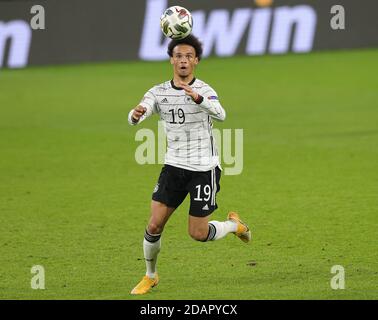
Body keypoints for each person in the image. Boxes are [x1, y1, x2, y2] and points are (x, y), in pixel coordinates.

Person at [128, 35, 251, 295]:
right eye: (179, 56)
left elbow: (221, 114)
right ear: (172, 59)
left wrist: (198, 98)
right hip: (173, 167)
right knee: (154, 225)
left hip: (203, 169)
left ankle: (234, 226)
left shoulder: (204, 89)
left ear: (196, 61)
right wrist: (136, 113)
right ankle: (150, 276)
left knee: (197, 233)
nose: (183, 60)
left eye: (188, 56)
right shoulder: (158, 91)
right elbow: (139, 113)